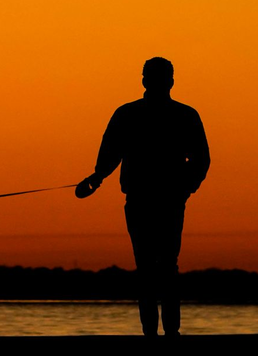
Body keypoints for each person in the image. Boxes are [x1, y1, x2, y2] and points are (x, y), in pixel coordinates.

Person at [75, 57, 210, 337]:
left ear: (148, 81)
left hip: (163, 200)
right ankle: (160, 333)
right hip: (148, 200)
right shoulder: (165, 115)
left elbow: (200, 160)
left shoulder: (139, 114)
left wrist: (185, 188)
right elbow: (110, 155)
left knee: (153, 266)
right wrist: (96, 179)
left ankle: (161, 332)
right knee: (158, 265)